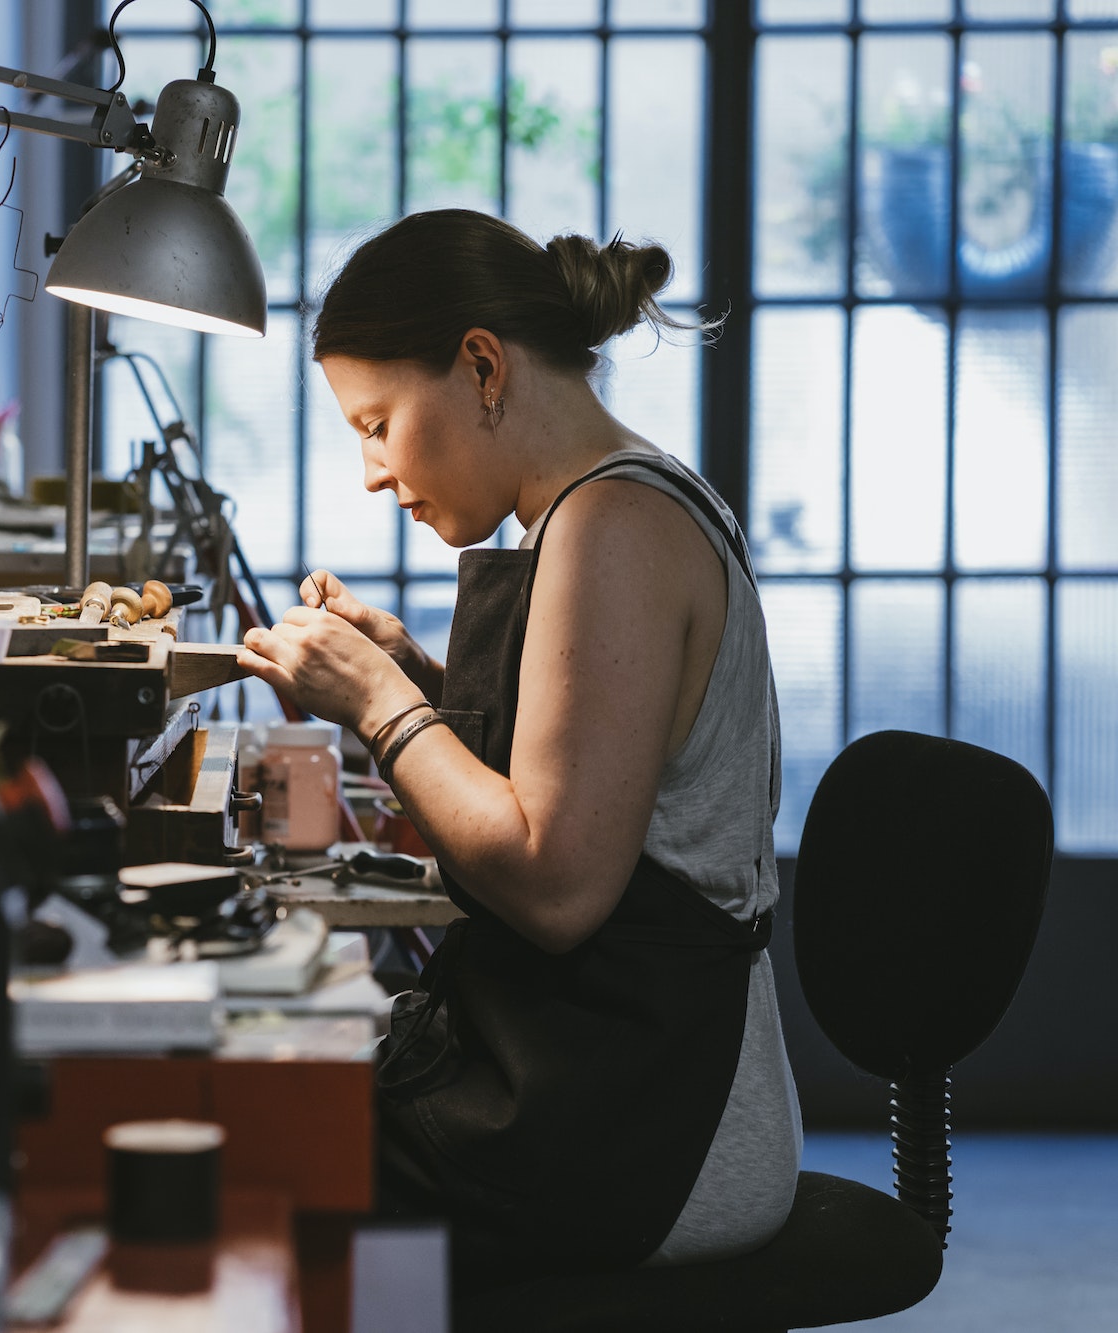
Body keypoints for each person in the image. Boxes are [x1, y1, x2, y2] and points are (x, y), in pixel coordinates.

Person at [236, 210, 800, 1289]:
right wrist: (410, 669)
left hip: (645, 1127)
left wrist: (378, 705)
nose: (369, 470)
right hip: (632, 1089)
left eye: (377, 421)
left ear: (481, 365)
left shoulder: (610, 527)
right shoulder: (612, 501)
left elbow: (554, 882)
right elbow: (591, 762)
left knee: (263, 1171)